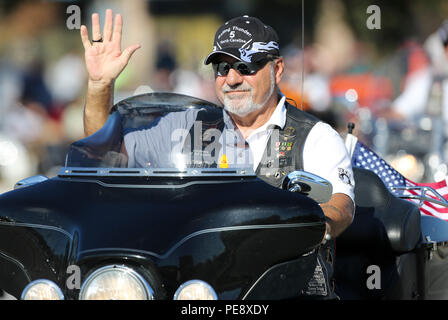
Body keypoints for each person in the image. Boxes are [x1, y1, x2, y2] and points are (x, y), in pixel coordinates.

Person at [80, 9, 355, 299]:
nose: (232, 79)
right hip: (198, 291)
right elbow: (104, 152)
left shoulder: (315, 136)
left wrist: (314, 224)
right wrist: (100, 86)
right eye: (222, 68)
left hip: (288, 290)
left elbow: (341, 205)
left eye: (246, 67)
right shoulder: (186, 127)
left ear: (277, 69)